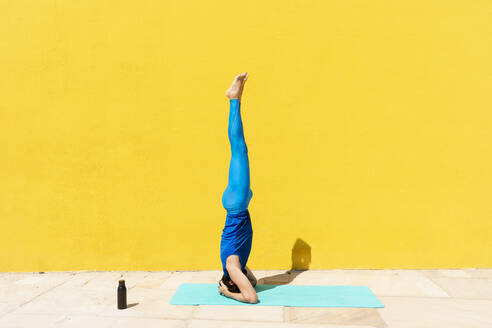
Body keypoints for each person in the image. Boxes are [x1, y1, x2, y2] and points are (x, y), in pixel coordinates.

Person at [217, 72, 258, 303]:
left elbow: (251, 296)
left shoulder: (232, 265)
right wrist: (238, 277)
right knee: (240, 150)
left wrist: (226, 290)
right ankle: (235, 98)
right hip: (238, 204)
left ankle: (234, 98)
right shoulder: (237, 265)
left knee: (239, 149)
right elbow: (252, 282)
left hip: (237, 205)